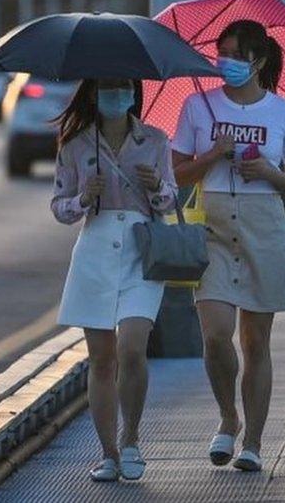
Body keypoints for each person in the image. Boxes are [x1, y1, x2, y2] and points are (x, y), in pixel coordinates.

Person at [171, 20, 285, 472]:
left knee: (255, 340)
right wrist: (213, 154)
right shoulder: (197, 106)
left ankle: (254, 440)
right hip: (211, 222)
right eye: (221, 54)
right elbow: (177, 175)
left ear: (260, 60)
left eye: (235, 55)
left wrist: (267, 172)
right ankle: (228, 417)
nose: (225, 63)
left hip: (262, 225)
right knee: (214, 335)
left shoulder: (284, 112)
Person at [51, 78, 179, 482]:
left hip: (142, 251)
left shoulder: (155, 140)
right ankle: (107, 453)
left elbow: (172, 198)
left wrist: (156, 185)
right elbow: (60, 207)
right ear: (93, 93)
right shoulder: (75, 145)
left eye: (123, 87)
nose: (116, 95)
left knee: (132, 349)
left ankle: (132, 439)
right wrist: (84, 198)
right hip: (95, 252)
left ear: (133, 93)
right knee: (102, 359)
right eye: (108, 88)